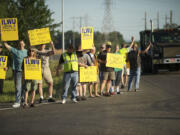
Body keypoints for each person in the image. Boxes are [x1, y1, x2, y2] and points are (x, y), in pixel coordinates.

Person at [4, 40, 27, 108]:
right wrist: (4, 39)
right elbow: (6, 46)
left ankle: (23, 100)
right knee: (18, 87)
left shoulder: (27, 51)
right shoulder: (15, 50)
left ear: (24, 44)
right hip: (18, 71)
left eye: (22, 44)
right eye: (20, 44)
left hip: (25, 72)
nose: (21, 45)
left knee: (24, 87)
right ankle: (17, 101)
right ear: (18, 45)